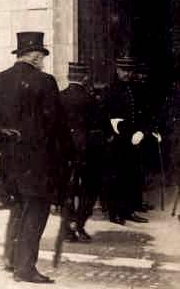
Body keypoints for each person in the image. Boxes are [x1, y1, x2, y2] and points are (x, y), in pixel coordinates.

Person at [0, 32, 71, 284]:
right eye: (41, 57)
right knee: (37, 209)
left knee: (18, 205)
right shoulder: (45, 81)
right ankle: (25, 268)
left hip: (9, 158)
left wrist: (1, 131)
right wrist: (67, 155)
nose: (42, 61)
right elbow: (57, 125)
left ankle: (11, 259)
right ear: (35, 55)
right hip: (38, 159)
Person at [104, 56, 160, 225]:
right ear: (117, 70)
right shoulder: (111, 90)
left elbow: (142, 114)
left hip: (134, 140)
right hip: (118, 141)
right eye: (124, 70)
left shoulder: (135, 90)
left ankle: (129, 210)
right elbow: (107, 117)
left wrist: (142, 132)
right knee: (117, 177)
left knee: (132, 175)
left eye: (130, 71)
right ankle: (115, 213)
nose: (127, 74)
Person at [59, 62, 105, 242]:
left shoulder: (59, 97)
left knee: (66, 191)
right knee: (90, 189)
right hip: (87, 152)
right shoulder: (90, 99)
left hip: (64, 152)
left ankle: (67, 229)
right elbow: (99, 126)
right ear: (85, 78)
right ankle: (79, 225)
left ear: (68, 77)